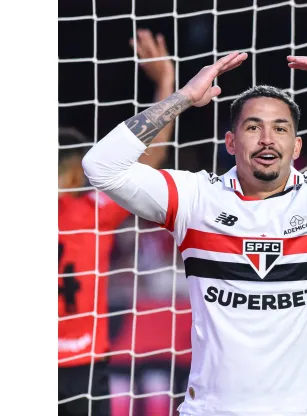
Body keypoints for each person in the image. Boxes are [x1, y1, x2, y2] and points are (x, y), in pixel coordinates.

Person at [81, 52, 307, 415]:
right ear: (231, 143)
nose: (267, 139)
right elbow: (100, 166)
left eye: (280, 128)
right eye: (253, 126)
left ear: (296, 145)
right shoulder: (196, 198)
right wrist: (182, 98)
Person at [58, 29, 175, 416]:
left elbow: (148, 162)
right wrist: (167, 85)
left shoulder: (91, 209)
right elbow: (150, 158)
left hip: (83, 365)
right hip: (82, 366)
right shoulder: (92, 209)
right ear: (74, 174)